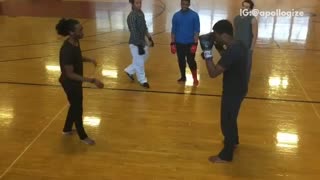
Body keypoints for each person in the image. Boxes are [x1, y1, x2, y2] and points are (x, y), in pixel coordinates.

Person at [199, 20, 249, 163]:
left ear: (224, 34)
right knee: (231, 117)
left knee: (226, 121)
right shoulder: (238, 45)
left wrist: (208, 54)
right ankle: (234, 141)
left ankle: (226, 156)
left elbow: (213, 73)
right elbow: (227, 58)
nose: (214, 37)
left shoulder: (233, 51)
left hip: (233, 91)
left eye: (216, 35)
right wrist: (218, 46)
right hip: (239, 88)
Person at [56, 18, 104, 145]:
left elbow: (77, 57)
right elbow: (69, 74)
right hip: (70, 84)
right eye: (80, 30)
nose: (83, 31)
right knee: (78, 109)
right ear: (72, 32)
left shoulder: (75, 42)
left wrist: (89, 59)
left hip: (75, 83)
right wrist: (92, 80)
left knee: (74, 105)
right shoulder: (67, 50)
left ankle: (66, 129)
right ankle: (83, 136)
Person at [124, 0, 154, 89]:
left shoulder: (141, 13)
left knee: (145, 56)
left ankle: (129, 70)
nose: (139, 5)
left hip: (142, 41)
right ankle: (143, 80)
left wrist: (149, 38)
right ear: (132, 4)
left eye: (140, 3)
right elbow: (134, 32)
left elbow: (144, 27)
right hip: (135, 43)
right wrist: (139, 45)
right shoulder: (131, 16)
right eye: (137, 3)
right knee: (140, 62)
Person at [171, 0, 200, 86]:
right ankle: (183, 77)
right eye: (183, 4)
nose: (184, 6)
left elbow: (196, 31)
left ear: (189, 4)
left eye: (186, 4)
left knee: (191, 61)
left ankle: (195, 78)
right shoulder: (176, 16)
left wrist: (195, 44)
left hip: (190, 43)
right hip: (179, 43)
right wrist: (172, 43)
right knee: (181, 61)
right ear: (181, 4)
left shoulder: (194, 15)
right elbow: (173, 31)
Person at [234, 0, 258, 83]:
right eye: (243, 6)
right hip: (236, 47)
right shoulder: (236, 18)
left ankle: (244, 84)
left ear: (250, 9)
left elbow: (255, 35)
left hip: (247, 47)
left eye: (247, 7)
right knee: (236, 65)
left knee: (246, 68)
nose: (244, 8)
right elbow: (235, 32)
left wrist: (251, 49)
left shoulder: (253, 20)